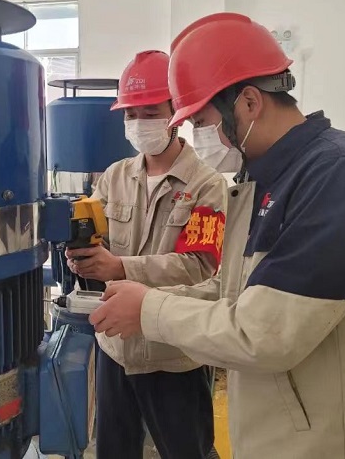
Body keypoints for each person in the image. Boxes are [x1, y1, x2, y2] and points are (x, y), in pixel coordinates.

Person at [89, 14, 345, 459]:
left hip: (333, 444)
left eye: (201, 121)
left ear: (248, 102)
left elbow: (264, 333)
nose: (199, 135)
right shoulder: (261, 181)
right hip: (280, 435)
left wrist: (149, 308)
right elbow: (236, 294)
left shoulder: (341, 175)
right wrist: (142, 298)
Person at [65, 50, 226, 459]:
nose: (139, 124)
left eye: (150, 113)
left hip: (171, 353)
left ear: (176, 115)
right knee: (114, 450)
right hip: (115, 349)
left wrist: (120, 267)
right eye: (131, 114)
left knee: (186, 450)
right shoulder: (115, 176)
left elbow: (201, 267)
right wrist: (83, 259)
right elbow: (96, 240)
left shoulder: (206, 186)